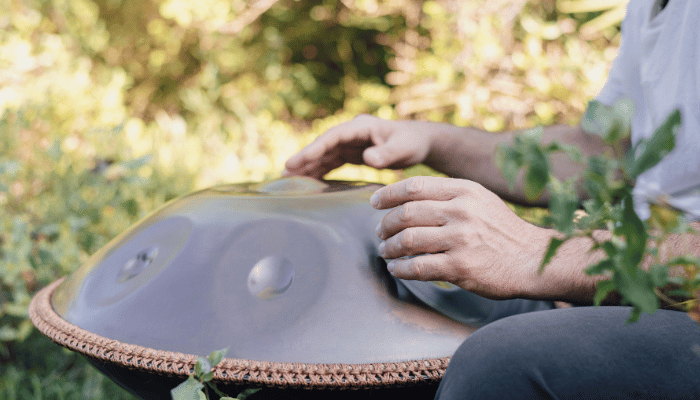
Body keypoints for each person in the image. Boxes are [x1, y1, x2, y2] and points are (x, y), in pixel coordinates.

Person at [285, 0, 700, 398]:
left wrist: (537, 255)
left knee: (498, 363)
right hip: (637, 281)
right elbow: (604, 151)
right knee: (371, 283)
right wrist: (432, 140)